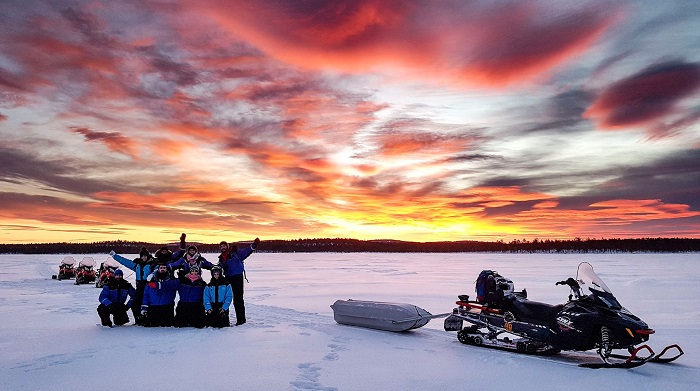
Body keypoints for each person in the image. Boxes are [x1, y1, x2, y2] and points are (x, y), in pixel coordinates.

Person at [110, 234, 186, 324]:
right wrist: (115, 256)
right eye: (142, 256)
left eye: (145, 256)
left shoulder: (152, 263)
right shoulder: (137, 264)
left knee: (152, 302)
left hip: (150, 284)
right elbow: (126, 262)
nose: (144, 257)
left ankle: (149, 318)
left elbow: (158, 268)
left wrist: (152, 275)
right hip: (140, 286)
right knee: (136, 305)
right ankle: (139, 320)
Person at [218, 237, 260, 325]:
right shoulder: (221, 258)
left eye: (224, 246)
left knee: (238, 299)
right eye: (221, 246)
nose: (223, 247)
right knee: (226, 299)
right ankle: (225, 320)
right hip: (228, 278)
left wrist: (254, 245)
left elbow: (247, 251)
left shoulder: (236, 252)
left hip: (237, 277)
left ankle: (241, 320)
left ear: (227, 246)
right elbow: (218, 268)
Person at [141, 261, 179, 327]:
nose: (162, 269)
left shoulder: (172, 280)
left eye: (164, 268)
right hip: (154, 307)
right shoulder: (150, 281)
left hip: (167, 307)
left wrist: (158, 285)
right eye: (161, 268)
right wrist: (144, 307)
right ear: (158, 269)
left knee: (167, 325)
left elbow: (175, 285)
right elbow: (146, 295)